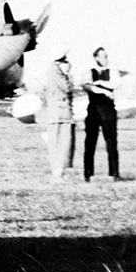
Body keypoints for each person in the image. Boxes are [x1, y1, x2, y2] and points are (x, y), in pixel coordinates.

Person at [82, 47, 120, 181]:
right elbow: (87, 86)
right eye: (102, 56)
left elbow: (116, 84)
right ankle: (88, 173)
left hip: (108, 109)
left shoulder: (112, 70)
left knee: (111, 142)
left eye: (106, 56)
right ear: (96, 58)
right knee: (90, 142)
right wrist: (103, 90)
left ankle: (114, 173)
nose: (105, 59)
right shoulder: (89, 71)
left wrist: (101, 83)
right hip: (94, 109)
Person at [39, 46, 75, 183]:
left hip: (59, 110)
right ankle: (57, 174)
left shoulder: (53, 70)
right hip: (60, 110)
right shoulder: (56, 72)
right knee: (61, 142)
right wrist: (68, 75)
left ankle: (58, 173)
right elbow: (67, 87)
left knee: (60, 142)